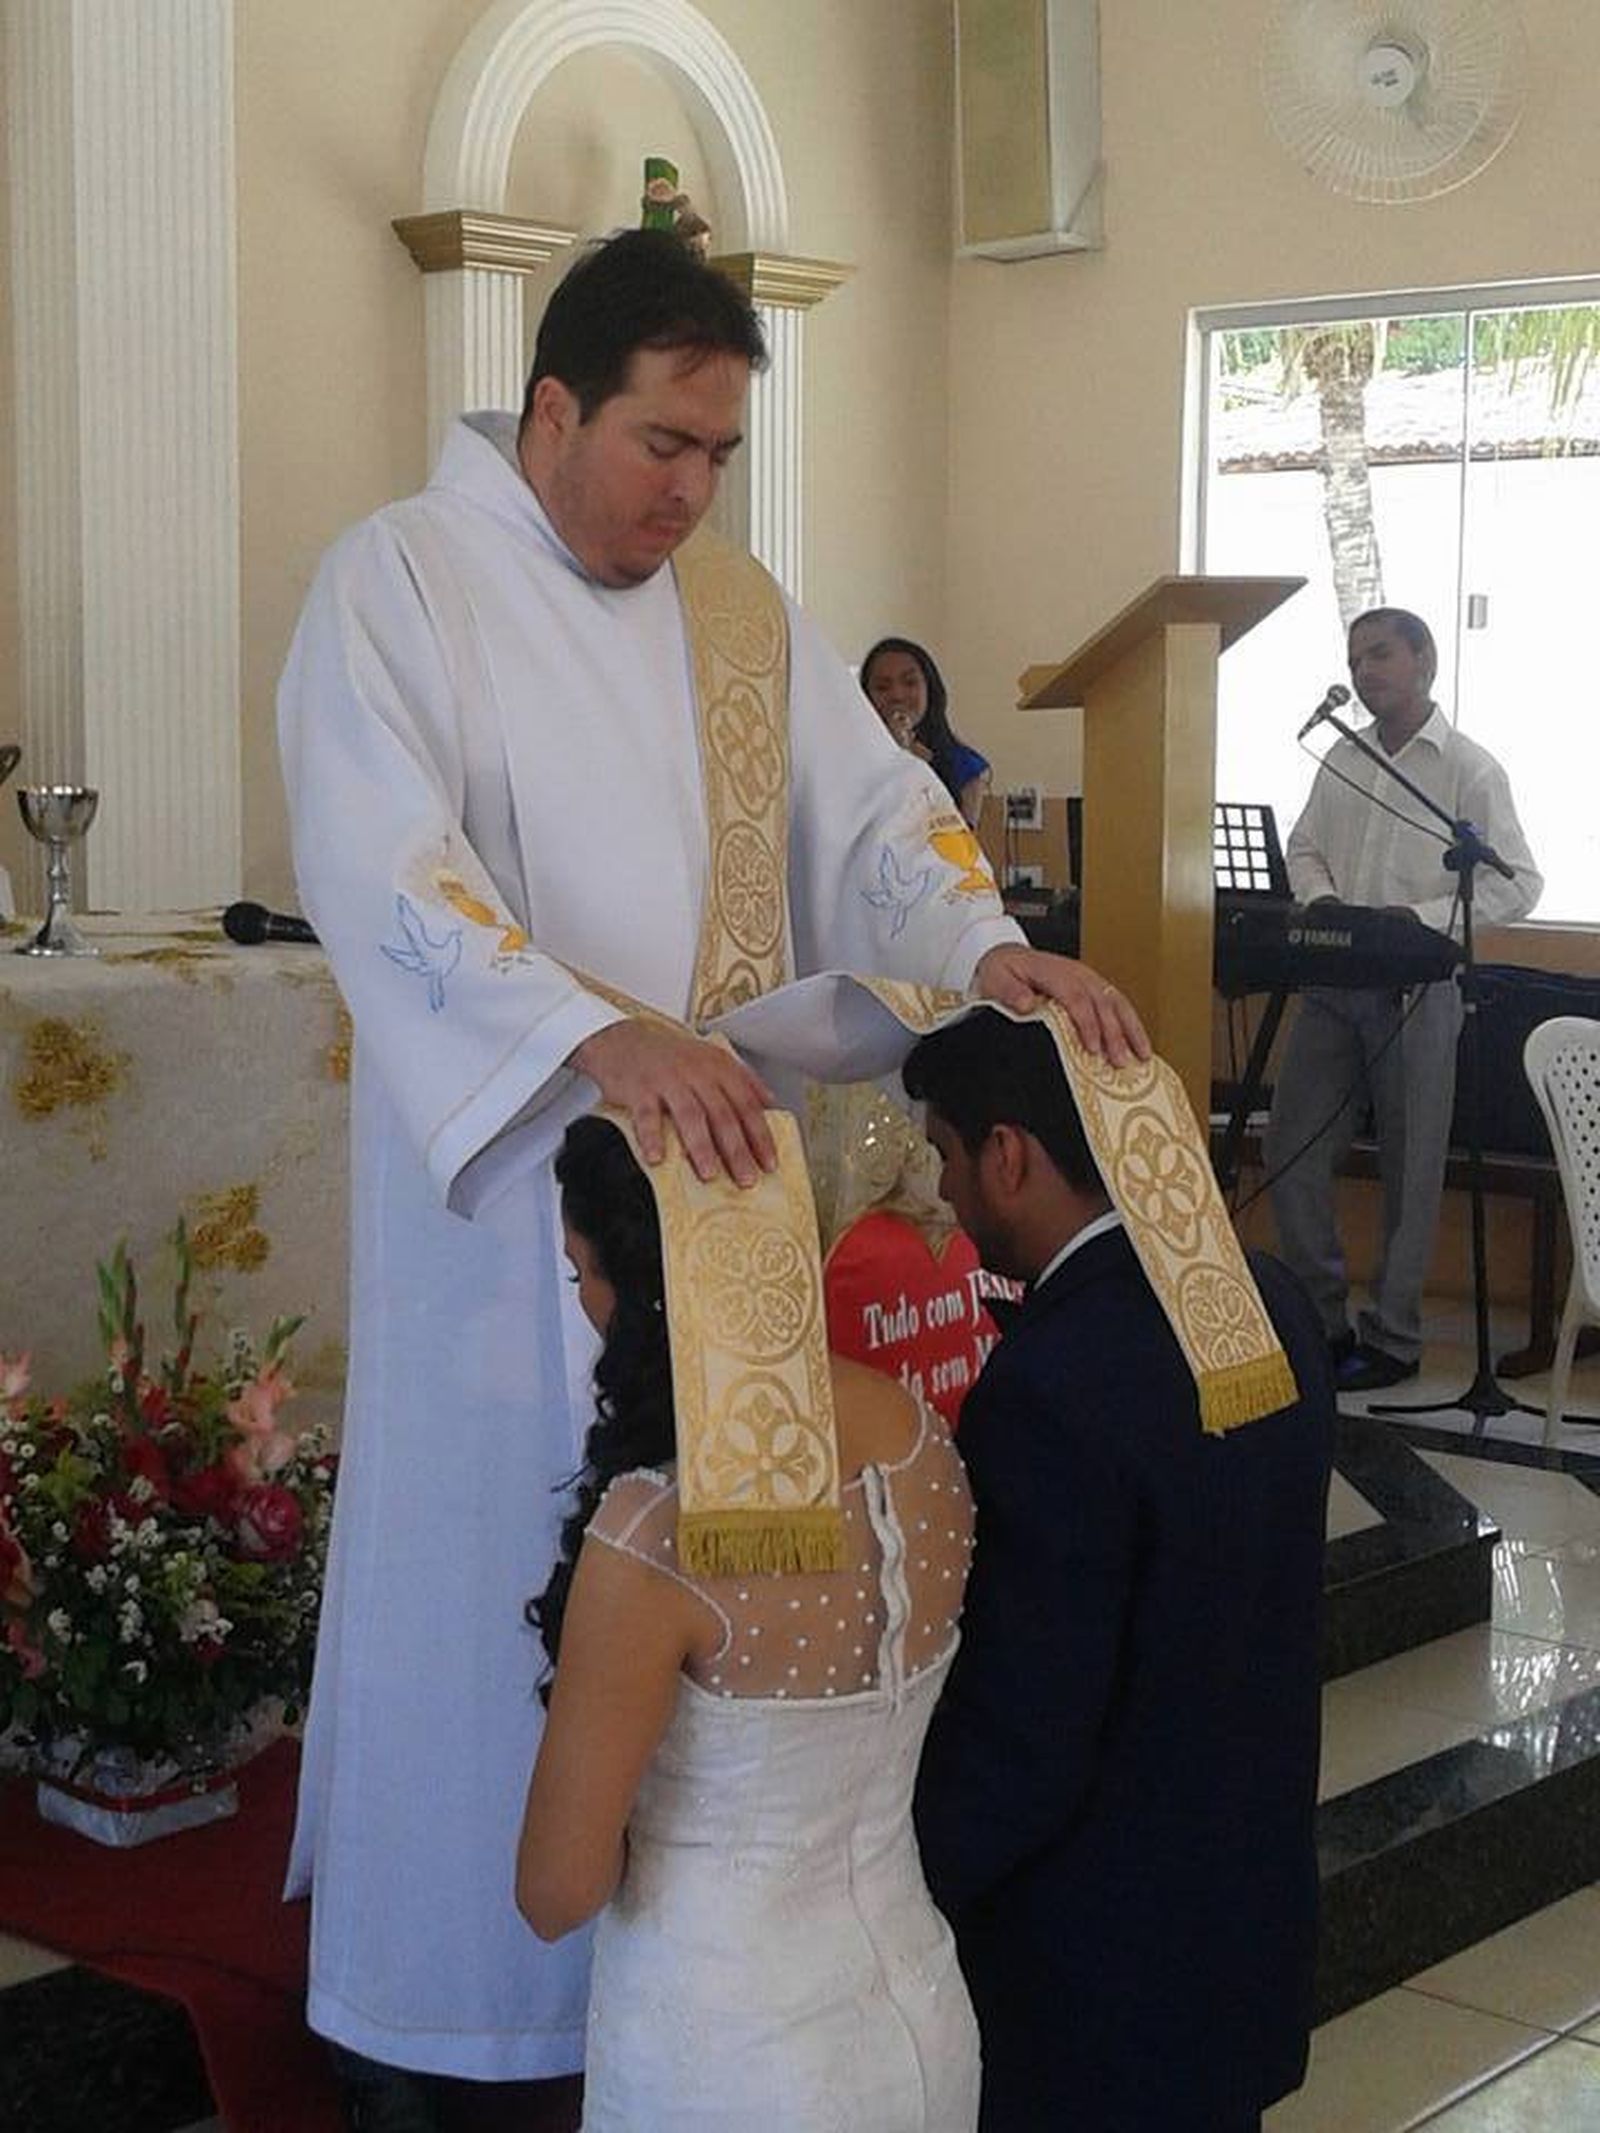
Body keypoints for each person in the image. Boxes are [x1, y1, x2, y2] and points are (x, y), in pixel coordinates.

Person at [277, 227, 1145, 2123]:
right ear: (553, 407)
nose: (689, 491)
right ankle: (465, 2009)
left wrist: (986, 947)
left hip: (725, 1193)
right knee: (495, 1573)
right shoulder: (401, 579)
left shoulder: (736, 613)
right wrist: (591, 1038)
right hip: (512, 1216)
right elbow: (377, 855)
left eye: (719, 455)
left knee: (690, 1579)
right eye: (660, 443)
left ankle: (671, 2008)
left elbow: (880, 815)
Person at [905, 1010, 1334, 2133]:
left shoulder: (1049, 1387)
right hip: (1242, 1926)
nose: (942, 1192)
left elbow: (1025, 1734)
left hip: (1096, 1979)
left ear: (1008, 1154)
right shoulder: (1269, 1302)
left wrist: (902, 1886)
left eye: (945, 1153)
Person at [515, 1113, 979, 2130]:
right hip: (919, 2015)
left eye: (582, 1274)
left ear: (644, 1290)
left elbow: (557, 1889)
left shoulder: (654, 1533)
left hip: (725, 2052)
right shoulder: (916, 1437)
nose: (583, 1302)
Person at [1264, 607, 1542, 1392]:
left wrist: (1415, 918)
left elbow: (1518, 881)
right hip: (1333, 985)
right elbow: (1304, 846)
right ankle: (1323, 1324)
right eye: (1355, 658)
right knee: (1290, 1149)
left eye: (1380, 654)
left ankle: (1394, 1337)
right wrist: (1324, 903)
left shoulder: (1468, 768)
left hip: (1418, 992)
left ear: (1424, 660)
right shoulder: (1342, 757)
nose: (1364, 671)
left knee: (1411, 1169)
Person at [861, 637, 992, 828]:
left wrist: (915, 767)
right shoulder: (851, 760)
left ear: (929, 689)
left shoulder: (965, 765)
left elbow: (958, 841)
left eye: (910, 682)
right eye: (882, 687)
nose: (897, 695)